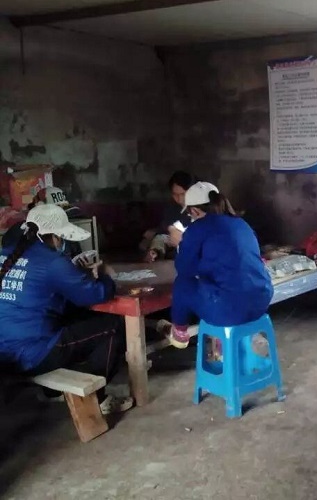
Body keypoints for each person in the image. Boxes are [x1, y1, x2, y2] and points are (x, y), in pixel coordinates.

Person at [0, 204, 132, 414]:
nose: (62, 243)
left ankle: (52, 392)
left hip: (5, 352)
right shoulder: (53, 262)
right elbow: (95, 294)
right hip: (32, 355)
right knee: (112, 326)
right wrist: (105, 275)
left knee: (64, 320)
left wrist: (72, 272)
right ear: (53, 236)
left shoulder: (6, 254)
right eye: (61, 237)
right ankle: (97, 399)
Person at [164, 182, 274, 348]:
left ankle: (179, 333)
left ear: (194, 211)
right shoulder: (241, 224)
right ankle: (230, 340)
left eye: (189, 212)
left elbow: (184, 269)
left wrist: (182, 244)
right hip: (261, 301)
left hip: (229, 309)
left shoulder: (197, 228)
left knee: (183, 284)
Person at [141, 170, 195, 262]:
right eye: (175, 195)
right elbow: (167, 223)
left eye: (183, 194)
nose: (179, 199)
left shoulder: (200, 207)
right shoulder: (172, 207)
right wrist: (170, 230)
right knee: (158, 239)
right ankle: (154, 254)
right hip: (174, 246)